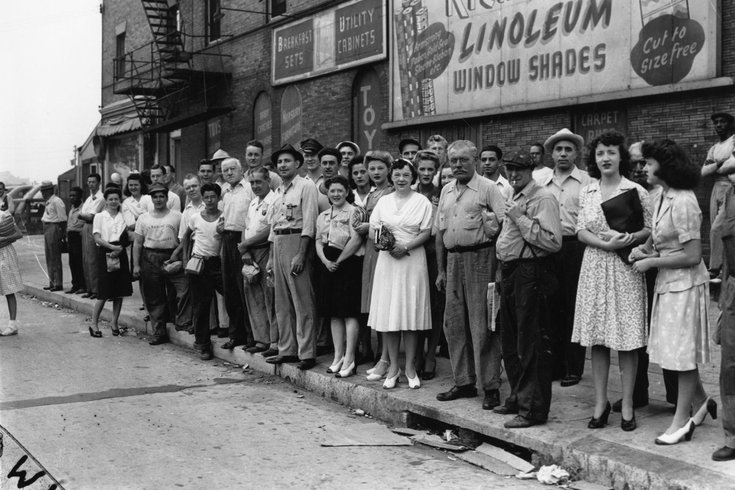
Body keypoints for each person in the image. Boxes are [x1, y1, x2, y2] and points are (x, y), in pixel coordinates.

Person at [631, 139, 714, 445]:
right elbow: (658, 237)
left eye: (649, 163)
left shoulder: (684, 201)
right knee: (673, 351)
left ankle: (682, 421)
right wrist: (643, 250)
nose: (644, 168)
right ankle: (703, 401)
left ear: (665, 167)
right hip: (668, 284)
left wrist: (652, 261)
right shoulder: (662, 196)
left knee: (682, 355)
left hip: (687, 285)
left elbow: (693, 255)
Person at [572, 131, 650, 432]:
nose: (605, 158)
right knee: (598, 340)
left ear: (621, 158)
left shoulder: (635, 190)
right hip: (594, 267)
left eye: (611, 153)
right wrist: (604, 245)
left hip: (625, 268)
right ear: (594, 158)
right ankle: (600, 403)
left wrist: (631, 237)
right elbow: (581, 230)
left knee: (628, 340)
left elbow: (650, 228)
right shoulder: (588, 192)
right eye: (600, 153)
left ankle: (628, 404)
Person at [494, 150, 562, 428]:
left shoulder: (542, 197)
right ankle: (516, 397)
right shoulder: (515, 195)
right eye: (509, 169)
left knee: (530, 341)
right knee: (510, 340)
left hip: (530, 272)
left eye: (519, 170)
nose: (513, 175)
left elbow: (552, 241)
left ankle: (532, 409)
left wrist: (521, 219)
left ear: (531, 170)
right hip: (510, 271)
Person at [435, 141, 506, 408]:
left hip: (481, 259)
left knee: (483, 324)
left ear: (475, 160)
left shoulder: (488, 189)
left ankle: (490, 386)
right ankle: (464, 382)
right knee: (453, 323)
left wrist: (499, 269)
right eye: (453, 161)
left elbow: (504, 228)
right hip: (453, 260)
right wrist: (441, 270)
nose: (458, 165)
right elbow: (440, 233)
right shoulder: (446, 190)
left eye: (464, 160)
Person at [368, 158, 433, 389]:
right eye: (397, 175)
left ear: (412, 176)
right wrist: (384, 244)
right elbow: (373, 230)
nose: (401, 179)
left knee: (410, 314)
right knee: (390, 315)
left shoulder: (422, 201)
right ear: (391, 177)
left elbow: (426, 231)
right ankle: (393, 367)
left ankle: (410, 367)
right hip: (388, 262)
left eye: (405, 175)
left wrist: (405, 246)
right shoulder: (383, 201)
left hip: (412, 260)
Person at [540, 128, 593, 387]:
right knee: (550, 306)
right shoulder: (542, 182)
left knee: (574, 306)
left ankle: (574, 367)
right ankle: (555, 365)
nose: (563, 154)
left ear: (576, 154)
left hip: (575, 247)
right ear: (551, 154)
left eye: (568, 149)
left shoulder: (587, 182)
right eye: (558, 149)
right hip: (548, 248)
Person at [265, 144, 320, 370]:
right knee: (282, 300)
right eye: (279, 162)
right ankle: (287, 349)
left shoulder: (306, 186)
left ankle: (307, 352)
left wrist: (301, 253)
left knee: (302, 299)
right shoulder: (278, 191)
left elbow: (309, 222)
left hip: (296, 240)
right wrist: (270, 257)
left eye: (287, 161)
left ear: (297, 164)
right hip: (278, 242)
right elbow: (273, 226)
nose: (283, 165)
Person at [316, 175, 364, 378]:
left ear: (346, 191)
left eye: (339, 190)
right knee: (333, 312)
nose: (335, 194)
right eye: (332, 191)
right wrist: (326, 262)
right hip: (328, 265)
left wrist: (339, 260)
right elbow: (318, 241)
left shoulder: (355, 212)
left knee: (349, 312)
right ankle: (338, 357)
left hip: (348, 263)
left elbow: (356, 239)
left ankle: (350, 359)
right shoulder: (323, 215)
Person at [172, 183, 224, 360]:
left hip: (217, 264)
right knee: (201, 306)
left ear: (218, 198)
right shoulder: (195, 217)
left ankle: (237, 336)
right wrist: (186, 259)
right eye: (206, 197)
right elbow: (186, 237)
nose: (209, 200)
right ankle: (203, 345)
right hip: (199, 264)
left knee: (232, 298)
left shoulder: (223, 217)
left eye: (213, 197)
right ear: (203, 199)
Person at [133, 184, 186, 345]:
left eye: (161, 196)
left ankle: (180, 323)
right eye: (155, 197)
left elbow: (183, 240)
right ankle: (159, 331)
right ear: (151, 198)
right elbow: (137, 243)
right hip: (150, 256)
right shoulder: (144, 218)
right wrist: (136, 265)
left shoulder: (177, 216)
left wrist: (179, 258)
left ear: (167, 198)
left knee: (179, 291)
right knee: (153, 295)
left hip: (171, 256)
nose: (158, 200)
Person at [356, 150, 393, 377]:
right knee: (373, 304)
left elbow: (389, 225)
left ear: (388, 169)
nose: (376, 172)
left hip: (384, 251)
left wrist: (368, 227)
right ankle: (377, 353)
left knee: (384, 304)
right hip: (370, 252)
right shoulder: (372, 194)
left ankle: (385, 357)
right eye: (372, 169)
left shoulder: (390, 192)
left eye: (380, 168)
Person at [238, 167, 278, 355]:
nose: (255, 186)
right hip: (250, 253)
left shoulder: (274, 200)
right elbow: (246, 226)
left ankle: (274, 342)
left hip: (266, 251)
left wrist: (245, 244)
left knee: (270, 296)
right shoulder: (253, 202)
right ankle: (260, 339)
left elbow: (270, 229)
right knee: (253, 296)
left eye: (259, 182)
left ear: (268, 181)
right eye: (252, 182)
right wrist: (245, 250)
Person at [413, 150, 445, 380]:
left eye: (430, 170)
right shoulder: (409, 192)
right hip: (412, 254)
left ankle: (430, 356)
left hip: (433, 255)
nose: (425, 173)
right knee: (415, 304)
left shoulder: (440, 193)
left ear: (435, 172)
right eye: (422, 169)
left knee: (434, 306)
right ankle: (416, 354)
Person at [218, 157, 254, 350]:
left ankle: (251, 336)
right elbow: (223, 215)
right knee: (230, 289)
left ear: (241, 171)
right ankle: (235, 334)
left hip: (243, 240)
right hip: (227, 239)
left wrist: (246, 246)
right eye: (226, 170)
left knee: (244, 290)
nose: (229, 173)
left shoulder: (248, 188)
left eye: (233, 169)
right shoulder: (224, 191)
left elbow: (251, 217)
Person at [711, 171, 735, 461]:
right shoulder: (729, 195)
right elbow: (720, 233)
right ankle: (732, 434)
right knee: (730, 363)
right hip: (733, 285)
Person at [90, 187, 133, 337]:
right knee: (104, 291)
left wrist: (120, 248)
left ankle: (114, 322)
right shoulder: (100, 216)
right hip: (105, 252)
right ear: (106, 201)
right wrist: (111, 247)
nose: (114, 202)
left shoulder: (123, 216)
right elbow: (97, 238)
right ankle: (94, 323)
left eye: (116, 199)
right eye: (111, 199)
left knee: (119, 291)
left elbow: (130, 232)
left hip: (121, 252)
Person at [701, 112, 735, 283]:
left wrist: (716, 167)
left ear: (730, 124)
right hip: (717, 189)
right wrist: (722, 163)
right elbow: (704, 171)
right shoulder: (714, 148)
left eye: (723, 122)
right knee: (716, 230)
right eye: (716, 123)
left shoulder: (734, 141)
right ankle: (722, 270)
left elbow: (732, 166)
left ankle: (715, 269)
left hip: (731, 188)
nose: (719, 125)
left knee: (718, 228)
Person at [79, 173, 105, 299]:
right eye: (89, 182)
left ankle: (95, 289)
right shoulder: (89, 198)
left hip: (93, 226)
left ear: (99, 183)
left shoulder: (101, 198)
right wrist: (82, 215)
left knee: (93, 259)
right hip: (85, 227)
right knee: (86, 258)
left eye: (93, 182)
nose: (90, 184)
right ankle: (89, 288)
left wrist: (81, 215)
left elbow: (90, 216)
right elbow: (84, 213)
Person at [39, 181, 66, 291]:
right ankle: (52, 281)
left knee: (55, 256)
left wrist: (61, 234)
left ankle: (58, 283)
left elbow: (62, 219)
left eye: (45, 190)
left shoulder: (57, 201)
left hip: (54, 227)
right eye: (42, 191)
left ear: (51, 190)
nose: (43, 193)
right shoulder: (48, 202)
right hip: (47, 228)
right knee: (49, 256)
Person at [0, 209, 23, 336]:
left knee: (9, 289)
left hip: (5, 253)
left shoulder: (4, 216)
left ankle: (12, 324)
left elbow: (18, 234)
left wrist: (4, 238)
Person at [65, 186, 86, 294]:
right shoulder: (72, 208)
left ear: (80, 197)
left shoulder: (84, 208)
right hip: (71, 236)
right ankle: (75, 285)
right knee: (72, 262)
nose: (72, 198)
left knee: (79, 262)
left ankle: (82, 285)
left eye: (74, 196)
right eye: (71, 195)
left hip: (79, 236)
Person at [316, 148, 342, 212]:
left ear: (339, 166)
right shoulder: (314, 190)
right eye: (324, 163)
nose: (327, 167)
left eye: (331, 163)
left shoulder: (347, 190)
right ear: (320, 166)